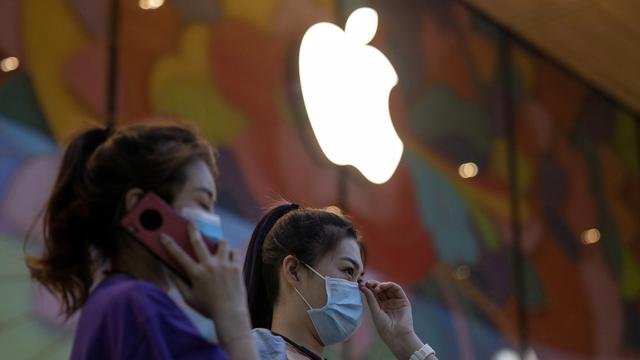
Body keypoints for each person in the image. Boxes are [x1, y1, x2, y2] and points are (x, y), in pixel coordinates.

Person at [26, 123, 258, 360]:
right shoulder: (139, 306)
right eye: (202, 202)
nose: (213, 222)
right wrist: (234, 316)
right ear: (140, 206)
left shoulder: (111, 301)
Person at [243, 204, 437, 360]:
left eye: (359, 279)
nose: (358, 289)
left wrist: (403, 340)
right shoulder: (249, 351)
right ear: (294, 270)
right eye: (348, 271)